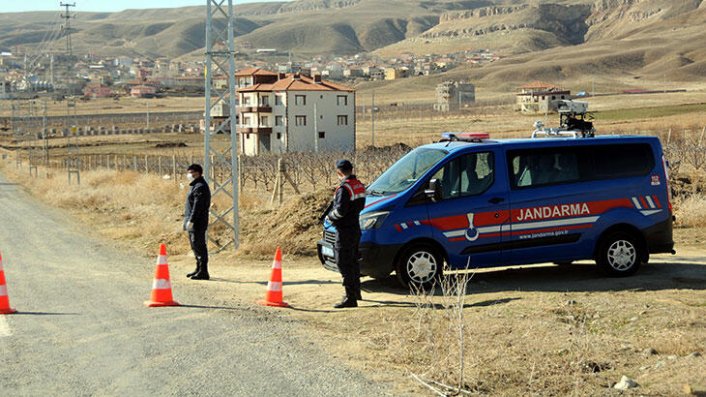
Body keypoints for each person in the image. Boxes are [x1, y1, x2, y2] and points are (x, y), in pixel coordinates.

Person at [325, 160, 366, 308]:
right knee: (353, 260)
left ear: (339, 172)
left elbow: (340, 211)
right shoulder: (358, 185)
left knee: (343, 262)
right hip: (355, 227)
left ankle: (350, 298)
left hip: (344, 230)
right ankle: (356, 292)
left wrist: (330, 217)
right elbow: (361, 205)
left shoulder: (344, 188)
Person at [184, 164, 211, 280]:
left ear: (198, 173)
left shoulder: (200, 186)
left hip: (198, 222)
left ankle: (203, 271)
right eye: (189, 173)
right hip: (193, 221)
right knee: (194, 245)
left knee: (199, 245)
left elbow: (197, 206)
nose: (189, 175)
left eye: (192, 173)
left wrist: (192, 220)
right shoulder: (195, 186)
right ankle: (198, 268)